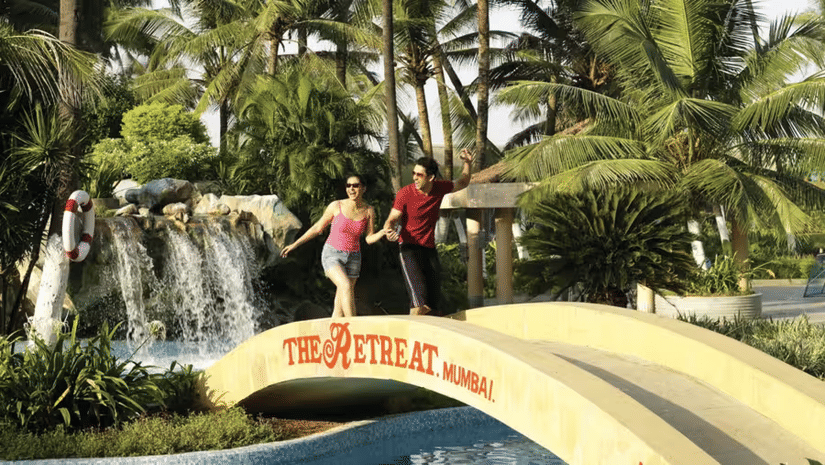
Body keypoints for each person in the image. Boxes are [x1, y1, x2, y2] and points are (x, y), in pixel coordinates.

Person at [281, 175, 389, 318]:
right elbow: (317, 228)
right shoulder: (336, 206)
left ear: (363, 188)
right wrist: (295, 244)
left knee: (339, 308)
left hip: (354, 258)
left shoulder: (369, 210)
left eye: (355, 185)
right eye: (348, 185)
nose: (351, 189)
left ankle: (333, 328)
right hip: (332, 254)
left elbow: (369, 238)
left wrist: (382, 232)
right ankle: (354, 324)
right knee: (345, 286)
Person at [384, 149, 474, 316]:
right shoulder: (405, 193)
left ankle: (424, 329)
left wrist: (467, 163)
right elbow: (392, 218)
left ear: (431, 177)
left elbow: (463, 182)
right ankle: (411, 332)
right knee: (418, 303)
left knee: (432, 305)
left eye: (419, 175)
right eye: (414, 173)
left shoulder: (440, 188)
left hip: (428, 249)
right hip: (408, 249)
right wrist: (389, 229)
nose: (415, 178)